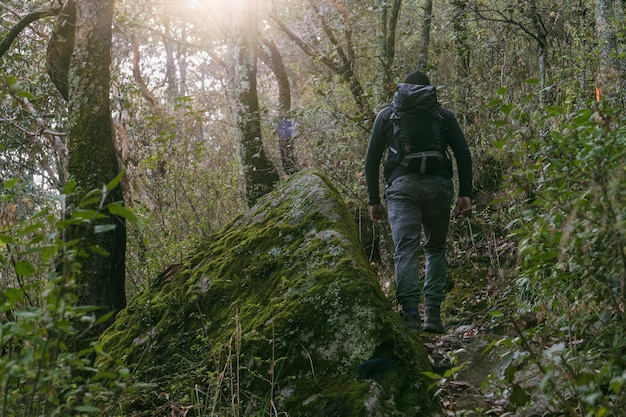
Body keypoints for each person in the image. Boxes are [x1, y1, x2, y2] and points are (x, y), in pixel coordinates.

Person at [364, 70, 472, 334]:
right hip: (438, 188)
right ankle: (433, 315)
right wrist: (465, 192)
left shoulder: (387, 115)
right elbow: (462, 153)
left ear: (402, 91)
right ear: (429, 91)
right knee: (435, 248)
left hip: (402, 189)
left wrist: (374, 200)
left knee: (406, 250)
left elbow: (371, 160)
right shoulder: (443, 116)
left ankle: (410, 315)